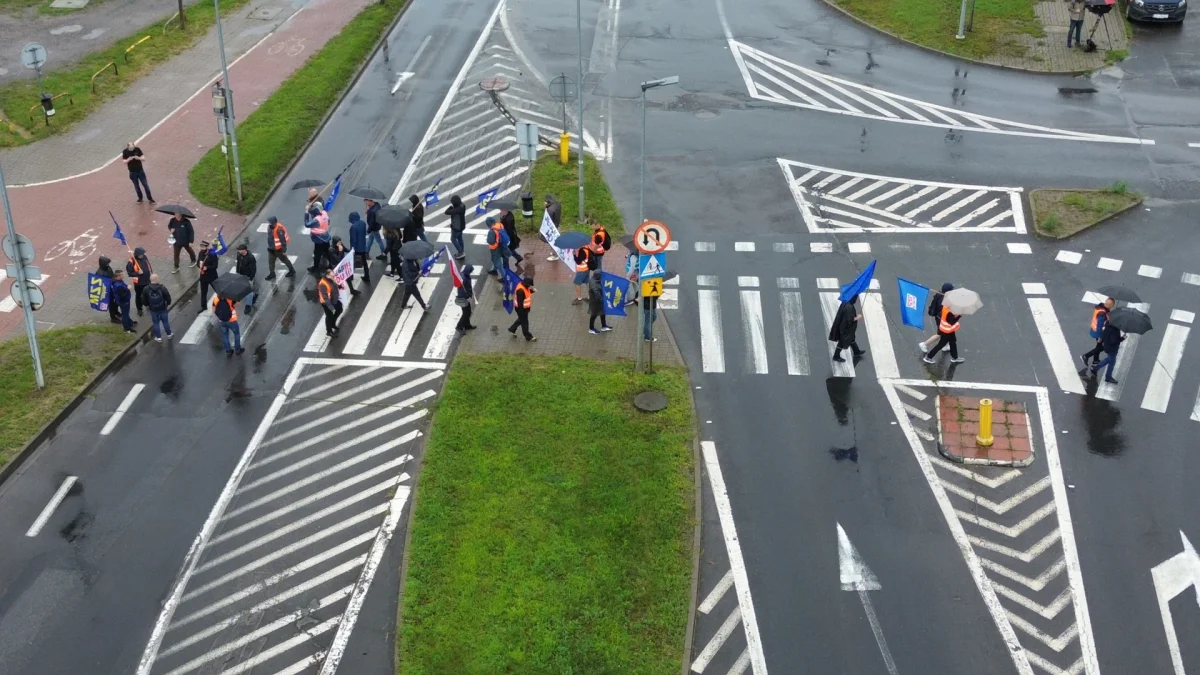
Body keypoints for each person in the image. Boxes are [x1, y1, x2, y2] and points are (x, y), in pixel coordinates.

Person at [828, 295, 866, 363]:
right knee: (842, 342)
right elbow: (850, 320)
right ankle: (836, 356)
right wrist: (858, 317)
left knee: (851, 338)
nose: (855, 300)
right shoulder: (849, 307)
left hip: (843, 326)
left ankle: (856, 351)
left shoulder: (845, 303)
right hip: (845, 328)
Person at [919, 283, 954, 353]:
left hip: (938, 318)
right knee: (940, 334)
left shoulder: (939, 295)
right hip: (942, 319)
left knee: (947, 332)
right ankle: (924, 344)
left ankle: (946, 345)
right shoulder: (945, 300)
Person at [1081, 297, 1114, 370]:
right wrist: (1100, 336)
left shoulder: (1101, 308)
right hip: (1099, 332)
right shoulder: (1102, 313)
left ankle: (1095, 360)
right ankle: (1086, 356)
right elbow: (1100, 325)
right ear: (1110, 305)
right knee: (1102, 347)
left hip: (1095, 330)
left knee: (1099, 346)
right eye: (1111, 305)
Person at [141, 273, 173, 341]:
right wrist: (168, 303)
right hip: (162, 308)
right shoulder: (162, 288)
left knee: (155, 323)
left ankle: (158, 337)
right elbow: (168, 297)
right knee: (165, 322)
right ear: (157, 279)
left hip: (153, 309)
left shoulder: (146, 288)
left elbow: (143, 299)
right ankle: (169, 334)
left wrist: (147, 305)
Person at [263, 216, 296, 280]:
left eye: (269, 222)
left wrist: (284, 250)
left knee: (284, 260)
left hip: (278, 249)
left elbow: (283, 241)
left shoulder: (279, 229)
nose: (268, 223)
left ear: (273, 222)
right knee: (271, 261)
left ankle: (292, 270)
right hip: (271, 248)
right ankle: (272, 273)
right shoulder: (269, 227)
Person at [508, 276, 536, 341]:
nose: (530, 286)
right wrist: (522, 312)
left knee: (521, 320)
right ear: (526, 284)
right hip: (522, 309)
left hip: (525, 308)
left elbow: (526, 292)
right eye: (529, 285)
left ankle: (512, 329)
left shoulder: (523, 285)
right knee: (525, 323)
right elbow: (520, 303)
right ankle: (528, 336)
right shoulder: (520, 291)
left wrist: (532, 291)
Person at [126, 247, 152, 316]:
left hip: (147, 280)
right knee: (138, 296)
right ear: (137, 254)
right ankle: (139, 309)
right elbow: (129, 272)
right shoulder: (132, 261)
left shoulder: (144, 257)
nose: (143, 255)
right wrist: (138, 273)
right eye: (141, 254)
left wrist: (151, 273)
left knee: (148, 294)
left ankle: (148, 304)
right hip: (139, 283)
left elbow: (148, 265)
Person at [317, 268, 343, 337]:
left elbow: (334, 286)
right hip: (326, 302)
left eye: (334, 275)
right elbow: (325, 298)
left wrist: (339, 286)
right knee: (329, 316)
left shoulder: (330, 279)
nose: (334, 277)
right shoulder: (322, 284)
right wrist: (331, 308)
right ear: (327, 275)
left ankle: (332, 324)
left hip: (333, 299)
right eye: (332, 276)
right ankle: (329, 331)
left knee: (340, 309)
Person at [96, 255, 121, 324]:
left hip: (113, 288)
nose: (108, 265)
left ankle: (116, 312)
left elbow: (112, 275)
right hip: (107, 291)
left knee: (115, 302)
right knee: (111, 305)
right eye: (106, 263)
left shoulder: (108, 268)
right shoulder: (99, 273)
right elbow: (100, 284)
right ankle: (113, 317)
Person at [348, 211, 371, 284]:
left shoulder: (353, 227)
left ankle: (350, 277)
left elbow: (353, 240)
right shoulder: (363, 223)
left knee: (352, 262)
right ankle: (367, 276)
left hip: (356, 248)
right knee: (364, 262)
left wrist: (352, 249)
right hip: (363, 246)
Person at [234, 244, 258, 314]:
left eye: (240, 249)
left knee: (248, 291)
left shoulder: (250, 257)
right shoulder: (239, 255)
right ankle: (254, 295)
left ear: (244, 250)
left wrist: (251, 278)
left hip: (248, 276)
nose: (239, 251)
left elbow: (253, 269)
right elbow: (238, 264)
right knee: (243, 289)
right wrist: (237, 272)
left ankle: (248, 306)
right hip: (241, 275)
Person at [307, 204, 331, 274]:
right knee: (328, 251)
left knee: (317, 253)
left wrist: (306, 212)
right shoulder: (324, 214)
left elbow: (307, 224)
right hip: (326, 236)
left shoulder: (317, 220)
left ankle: (316, 267)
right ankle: (332, 265)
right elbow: (328, 222)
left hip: (319, 238)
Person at [587, 270, 612, 334]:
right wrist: (604, 300)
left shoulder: (595, 279)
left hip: (598, 300)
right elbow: (597, 294)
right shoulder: (594, 285)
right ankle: (591, 328)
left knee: (603, 313)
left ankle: (604, 326)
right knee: (594, 315)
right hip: (595, 302)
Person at [455, 265, 477, 334]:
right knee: (466, 313)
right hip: (464, 298)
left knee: (468, 312)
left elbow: (467, 286)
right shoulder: (463, 278)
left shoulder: (465, 275)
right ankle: (459, 326)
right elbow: (462, 290)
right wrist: (467, 297)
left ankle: (467, 325)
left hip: (466, 297)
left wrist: (471, 291)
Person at [197, 241, 219, 311]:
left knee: (218, 290)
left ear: (207, 247)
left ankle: (223, 302)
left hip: (212, 276)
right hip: (203, 277)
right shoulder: (200, 253)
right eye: (201, 246)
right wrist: (199, 265)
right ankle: (203, 306)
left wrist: (207, 267)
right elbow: (198, 262)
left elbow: (215, 266)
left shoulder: (212, 254)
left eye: (203, 247)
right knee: (203, 292)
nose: (202, 248)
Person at [445, 195, 467, 259]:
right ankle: (461, 252)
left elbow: (446, 212)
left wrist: (450, 207)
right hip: (462, 226)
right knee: (460, 238)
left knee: (453, 239)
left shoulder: (456, 209)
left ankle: (461, 252)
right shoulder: (463, 206)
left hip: (456, 227)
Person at [544, 194, 563, 261]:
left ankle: (555, 256)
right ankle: (554, 252)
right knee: (555, 241)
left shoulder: (550, 210)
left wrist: (545, 208)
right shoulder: (557, 204)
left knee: (552, 242)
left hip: (552, 228)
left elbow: (547, 219)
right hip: (557, 226)